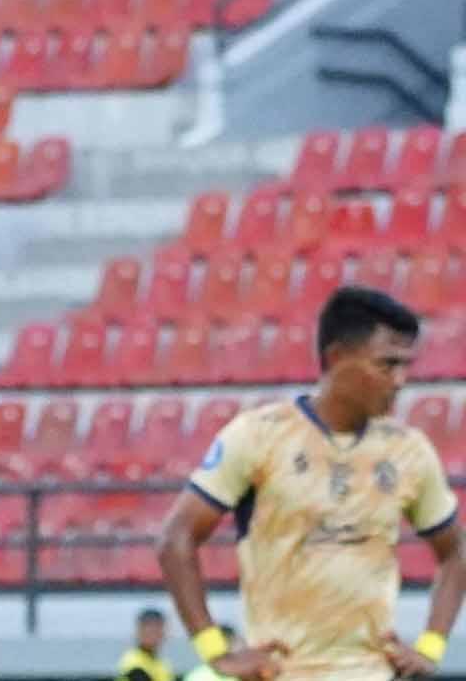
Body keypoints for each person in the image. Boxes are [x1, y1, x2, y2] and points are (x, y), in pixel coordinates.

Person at [158, 286, 466, 681]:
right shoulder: (259, 436)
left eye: (406, 365)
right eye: (387, 365)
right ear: (337, 357)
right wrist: (215, 652)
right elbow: (175, 538)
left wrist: (430, 647)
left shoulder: (409, 450)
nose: (401, 380)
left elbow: (455, 550)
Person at [117, 608, 176, 681]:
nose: (152, 634)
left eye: (157, 629)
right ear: (138, 632)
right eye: (148, 628)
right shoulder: (133, 662)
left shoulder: (163, 664)